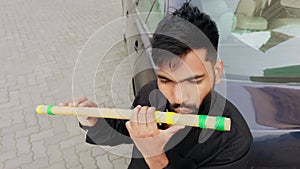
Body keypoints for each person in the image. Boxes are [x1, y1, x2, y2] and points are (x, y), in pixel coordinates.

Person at [60, 3, 252, 169]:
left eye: (193, 81)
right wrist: (93, 120)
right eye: (166, 80)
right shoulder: (151, 92)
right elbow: (125, 130)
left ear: (216, 72)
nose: (178, 98)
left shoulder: (235, 141)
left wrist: (154, 156)